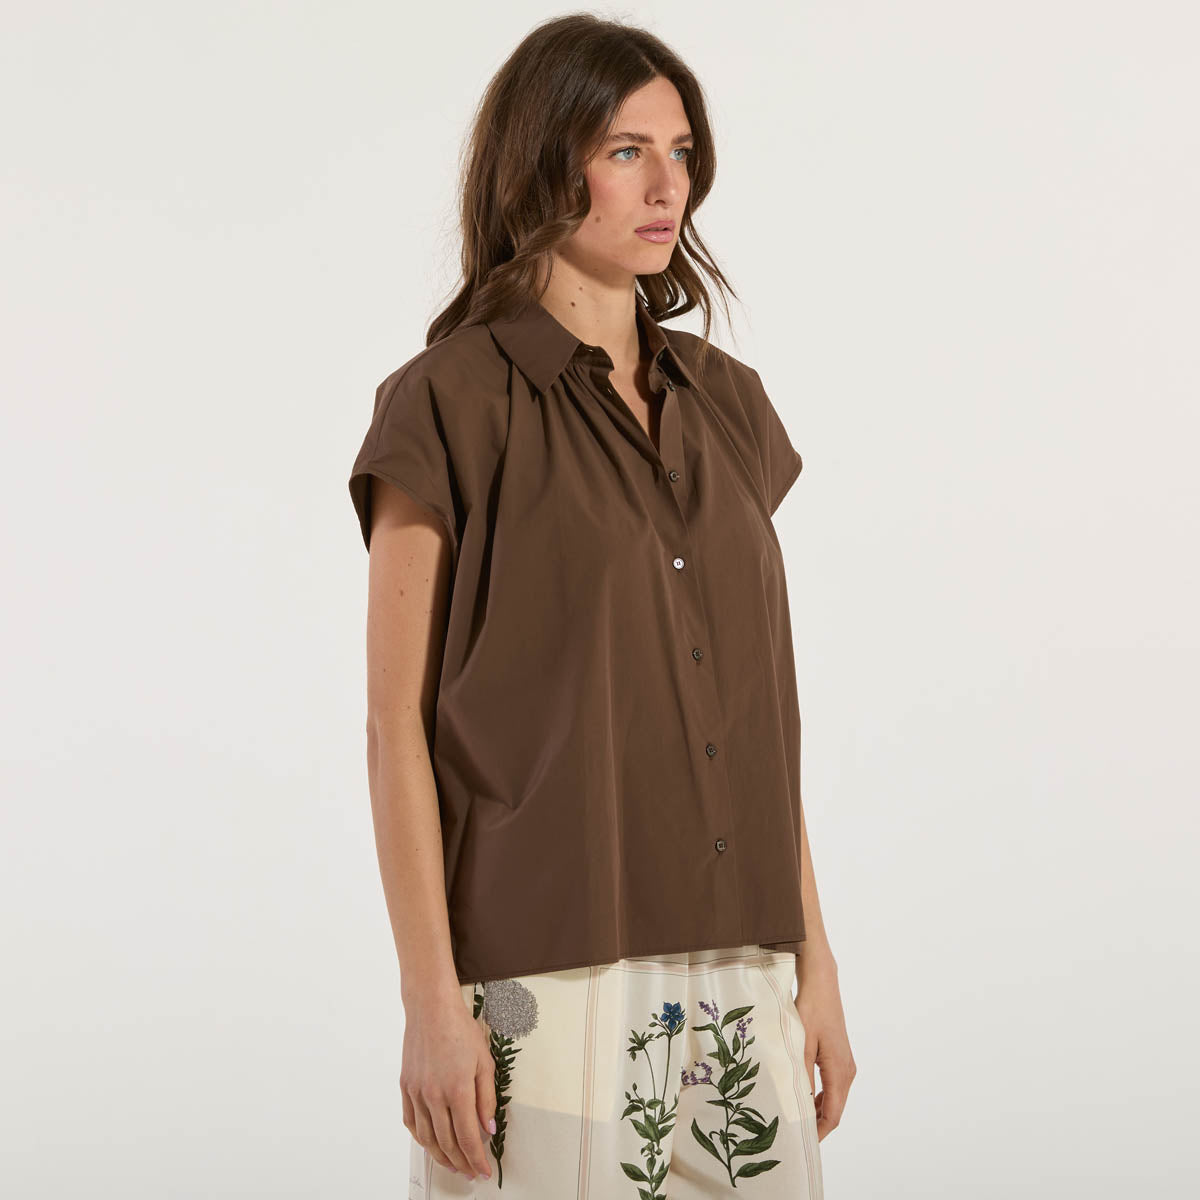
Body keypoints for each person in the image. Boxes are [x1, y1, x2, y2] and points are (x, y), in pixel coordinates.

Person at [347, 14, 855, 1198]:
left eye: (680, 152)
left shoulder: (729, 405)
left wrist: (815, 962)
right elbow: (393, 728)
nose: (667, 185)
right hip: (548, 975)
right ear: (542, 160)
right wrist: (431, 1003)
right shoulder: (449, 404)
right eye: (627, 150)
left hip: (741, 964)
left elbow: (749, 716)